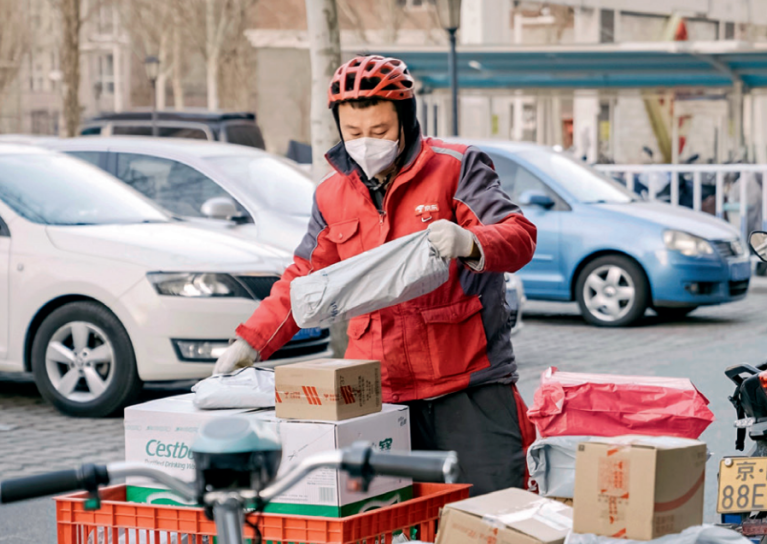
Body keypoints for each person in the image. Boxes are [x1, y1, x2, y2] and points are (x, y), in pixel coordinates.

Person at [213, 55, 538, 496]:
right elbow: (305, 278)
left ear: (405, 121)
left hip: (468, 388)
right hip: (380, 396)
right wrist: (251, 341)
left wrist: (471, 242)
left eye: (380, 131)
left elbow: (519, 236)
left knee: (492, 519)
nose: (366, 143)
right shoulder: (331, 195)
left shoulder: (455, 167)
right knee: (394, 530)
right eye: (354, 133)